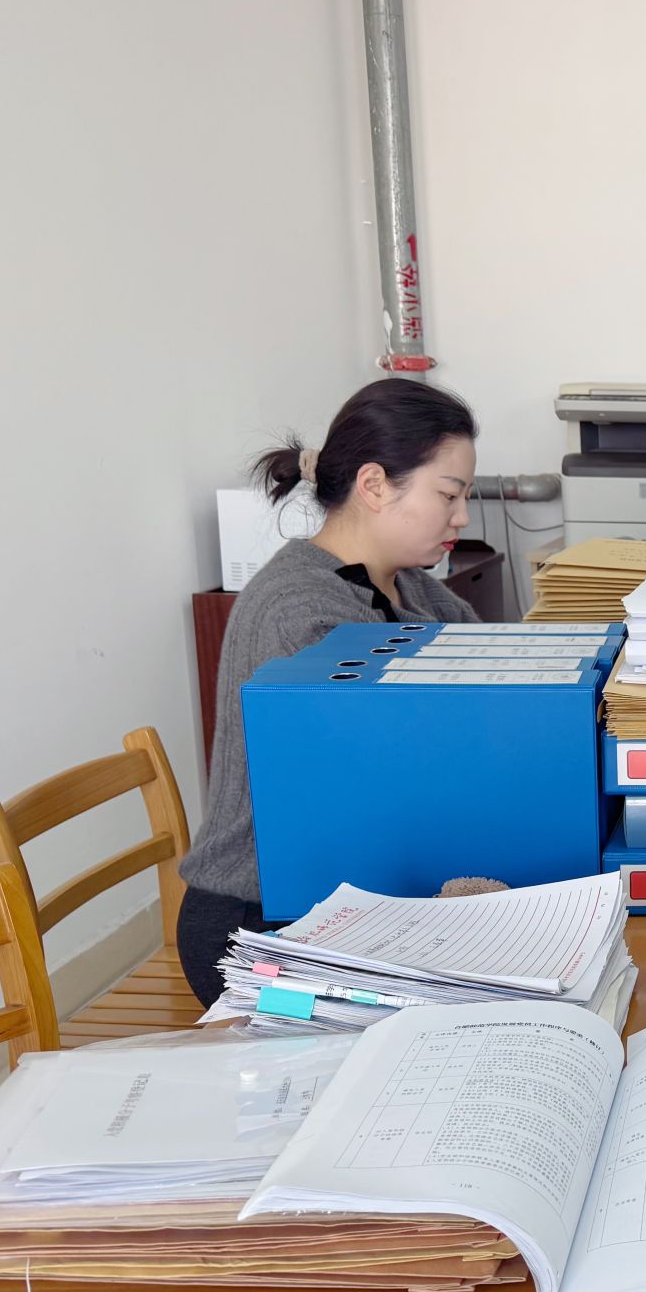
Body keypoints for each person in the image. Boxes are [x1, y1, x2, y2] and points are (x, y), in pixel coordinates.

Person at [176, 378, 481, 1004]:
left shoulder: (407, 585)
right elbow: (396, 768)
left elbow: (498, 671)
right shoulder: (301, 610)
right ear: (374, 485)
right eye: (449, 494)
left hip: (344, 893)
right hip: (263, 929)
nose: (462, 517)